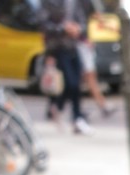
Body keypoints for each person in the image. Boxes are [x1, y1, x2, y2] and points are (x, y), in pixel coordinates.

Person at [39, 0, 95, 133]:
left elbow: (82, 20)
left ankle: (75, 117)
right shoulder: (47, 2)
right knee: (70, 84)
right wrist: (63, 28)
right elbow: (43, 24)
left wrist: (78, 29)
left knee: (76, 84)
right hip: (57, 49)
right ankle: (64, 110)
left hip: (74, 46)